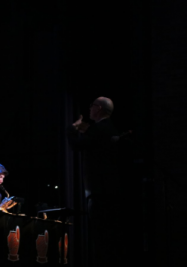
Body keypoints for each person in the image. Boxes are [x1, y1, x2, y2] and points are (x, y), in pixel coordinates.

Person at [67, 96, 120, 267]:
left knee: (100, 236)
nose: (90, 108)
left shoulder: (99, 129)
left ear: (100, 109)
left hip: (99, 190)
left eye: (92, 105)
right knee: (107, 237)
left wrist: (72, 129)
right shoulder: (108, 128)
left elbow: (77, 145)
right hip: (108, 189)